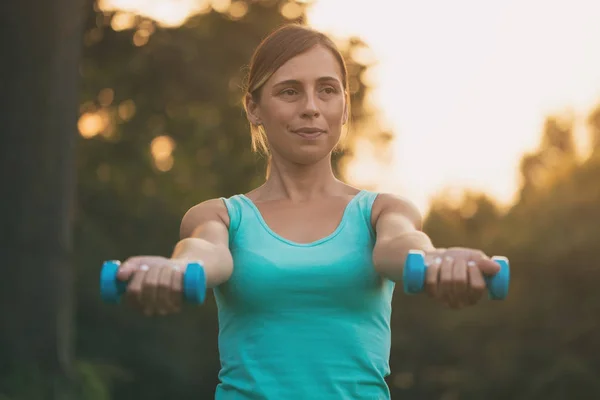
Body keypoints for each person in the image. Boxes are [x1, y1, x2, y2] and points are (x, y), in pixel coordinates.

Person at [116, 24, 502, 400]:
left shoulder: (382, 210)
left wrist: (435, 260)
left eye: (328, 90)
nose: (312, 108)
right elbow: (204, 252)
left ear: (345, 107)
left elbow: (400, 245)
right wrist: (176, 270)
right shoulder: (220, 216)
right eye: (289, 92)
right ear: (253, 108)